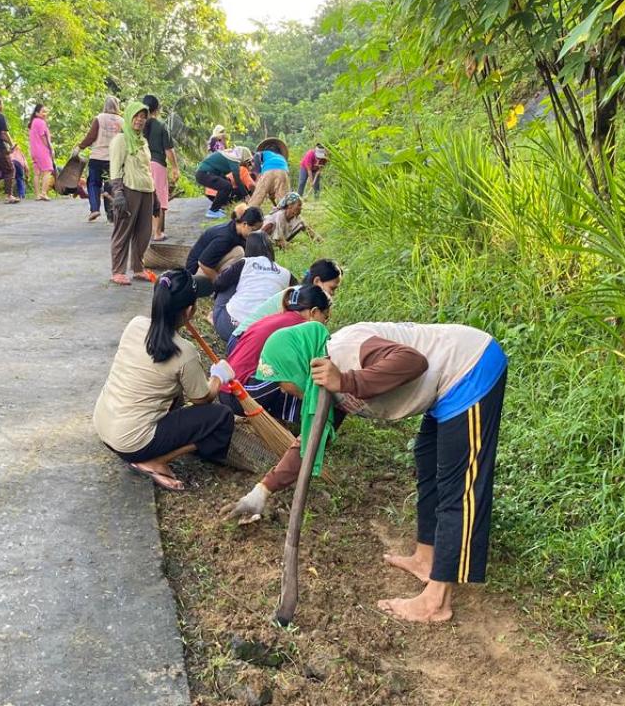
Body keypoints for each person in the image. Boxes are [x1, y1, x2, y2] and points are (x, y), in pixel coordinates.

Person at [228, 320, 508, 624]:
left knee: (458, 485)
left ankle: (436, 602)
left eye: (283, 381)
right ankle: (426, 559)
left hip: (469, 367)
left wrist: (346, 380)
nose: (285, 390)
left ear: (299, 363)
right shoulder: (323, 383)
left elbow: (413, 361)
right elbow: (310, 443)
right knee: (428, 463)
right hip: (441, 386)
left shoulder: (346, 351)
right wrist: (263, 490)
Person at [93, 269, 236, 492]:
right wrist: (218, 377)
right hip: (133, 443)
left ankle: (151, 450)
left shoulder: (135, 324)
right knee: (221, 417)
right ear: (189, 311)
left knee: (171, 389)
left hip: (104, 426)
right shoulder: (185, 352)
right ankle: (156, 461)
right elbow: (202, 399)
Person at [216, 285, 332, 424]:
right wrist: (311, 400)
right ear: (314, 312)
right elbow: (288, 381)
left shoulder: (280, 318)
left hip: (225, 388)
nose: (325, 323)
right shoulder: (299, 328)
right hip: (238, 396)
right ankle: (293, 424)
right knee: (298, 377)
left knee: (289, 373)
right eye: (325, 317)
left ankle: (279, 420)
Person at [231, 259, 343, 343]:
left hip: (247, 339)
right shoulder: (299, 299)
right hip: (243, 340)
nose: (333, 294)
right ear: (317, 281)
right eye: (332, 288)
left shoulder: (301, 295)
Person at [209, 232, 294, 341]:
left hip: (231, 328)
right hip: (263, 336)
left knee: (229, 281)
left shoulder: (245, 263)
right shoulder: (286, 273)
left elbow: (218, 283)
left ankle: (216, 317)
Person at [108, 102, 157, 286]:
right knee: (123, 231)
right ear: (129, 117)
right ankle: (118, 271)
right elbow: (115, 167)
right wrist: (118, 192)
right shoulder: (121, 140)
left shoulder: (143, 141)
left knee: (144, 233)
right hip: (129, 189)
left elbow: (147, 169)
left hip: (146, 190)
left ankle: (138, 268)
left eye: (143, 117)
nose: (140, 120)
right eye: (136, 116)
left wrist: (155, 196)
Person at [185, 206, 264, 294]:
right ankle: (219, 286)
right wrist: (219, 283)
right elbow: (203, 263)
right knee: (239, 252)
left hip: (209, 266)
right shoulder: (225, 238)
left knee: (242, 254)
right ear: (245, 224)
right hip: (196, 275)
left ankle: (225, 281)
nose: (255, 234)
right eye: (253, 230)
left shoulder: (237, 230)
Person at [74, 96, 124, 221]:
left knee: (93, 183)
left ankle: (95, 209)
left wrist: (80, 147)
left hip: (97, 157)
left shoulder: (99, 118)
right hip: (113, 159)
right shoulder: (122, 121)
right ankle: (111, 213)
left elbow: (91, 136)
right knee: (110, 185)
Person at [142, 94, 178, 242]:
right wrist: (175, 167)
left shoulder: (138, 125)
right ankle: (157, 233)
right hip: (157, 165)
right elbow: (169, 150)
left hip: (141, 165)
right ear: (157, 109)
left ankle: (149, 231)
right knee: (159, 199)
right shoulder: (161, 126)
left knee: (146, 198)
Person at [195, 146, 253, 219]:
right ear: (243, 156)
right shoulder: (234, 159)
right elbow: (237, 180)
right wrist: (246, 196)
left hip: (205, 174)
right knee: (226, 186)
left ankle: (217, 207)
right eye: (246, 160)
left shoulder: (230, 155)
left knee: (227, 182)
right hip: (204, 174)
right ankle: (213, 211)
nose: (245, 163)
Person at [28, 103, 54, 201]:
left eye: (45, 112)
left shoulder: (33, 122)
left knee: (37, 173)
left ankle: (37, 195)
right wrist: (50, 149)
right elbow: (44, 138)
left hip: (34, 150)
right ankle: (43, 193)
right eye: (43, 111)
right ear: (37, 113)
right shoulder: (41, 122)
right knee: (48, 171)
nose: (45, 113)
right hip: (42, 150)